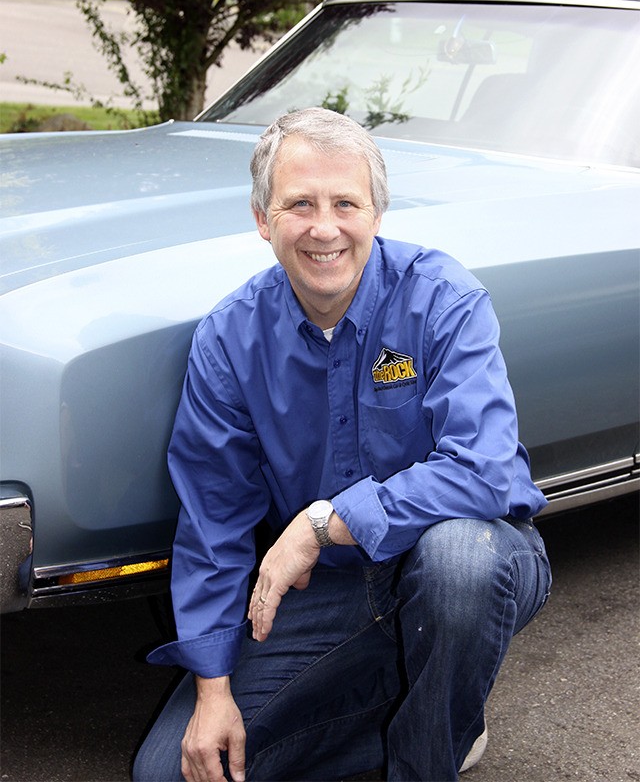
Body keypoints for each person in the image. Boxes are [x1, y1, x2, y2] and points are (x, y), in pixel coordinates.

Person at [133, 107, 551, 782]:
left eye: (345, 203)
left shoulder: (444, 299)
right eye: (299, 203)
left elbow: (487, 470)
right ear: (264, 219)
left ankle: (427, 751)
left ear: (377, 213)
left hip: (466, 562)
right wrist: (213, 690)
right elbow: (213, 526)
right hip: (331, 594)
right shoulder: (229, 340)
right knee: (168, 771)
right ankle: (436, 709)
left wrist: (324, 523)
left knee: (458, 563)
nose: (324, 227)